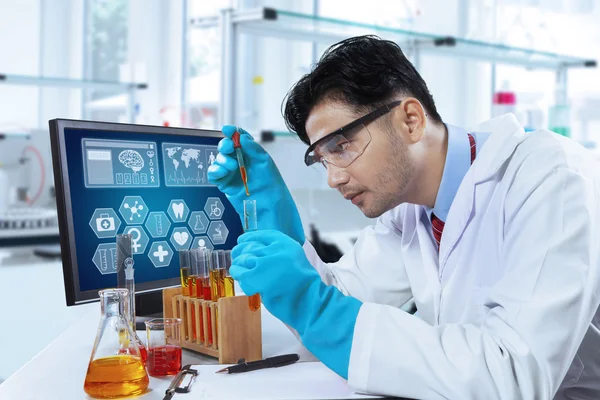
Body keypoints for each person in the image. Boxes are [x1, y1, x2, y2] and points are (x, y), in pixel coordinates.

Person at [207, 35, 600, 399]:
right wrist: (273, 221)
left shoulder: (550, 179)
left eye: (341, 147)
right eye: (321, 159)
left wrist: (315, 306)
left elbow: (513, 375)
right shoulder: (410, 210)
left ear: (410, 119)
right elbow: (337, 313)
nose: (333, 178)